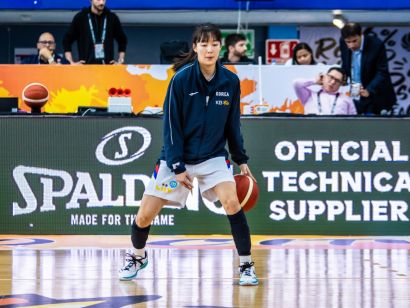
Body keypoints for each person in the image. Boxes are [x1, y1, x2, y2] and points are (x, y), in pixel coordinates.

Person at [118, 23, 259, 286]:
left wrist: (240, 158)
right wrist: (177, 164)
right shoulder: (180, 80)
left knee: (231, 203)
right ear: (195, 47)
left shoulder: (230, 81)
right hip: (177, 157)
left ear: (220, 48)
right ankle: (137, 257)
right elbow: (171, 125)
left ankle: (246, 265)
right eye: (203, 44)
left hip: (214, 156)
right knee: (144, 215)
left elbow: (232, 125)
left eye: (214, 44)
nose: (209, 49)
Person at [339, 22, 396, 115]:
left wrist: (369, 90)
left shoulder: (376, 44)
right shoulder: (342, 42)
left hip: (376, 94)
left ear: (361, 34)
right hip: (354, 93)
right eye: (348, 42)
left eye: (354, 41)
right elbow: (345, 65)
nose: (351, 45)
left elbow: (382, 72)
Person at [63, 0, 127, 64]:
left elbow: (122, 40)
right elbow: (67, 40)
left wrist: (120, 61)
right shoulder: (81, 17)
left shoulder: (112, 18)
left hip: (107, 68)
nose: (102, 2)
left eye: (103, 0)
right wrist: (70, 62)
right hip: (86, 69)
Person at [293, 67, 357, 115]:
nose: (332, 82)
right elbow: (296, 83)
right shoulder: (309, 95)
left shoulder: (346, 99)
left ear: (340, 84)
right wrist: (315, 81)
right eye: (331, 77)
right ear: (324, 77)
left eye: (337, 81)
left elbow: (354, 121)